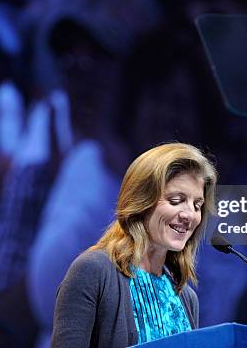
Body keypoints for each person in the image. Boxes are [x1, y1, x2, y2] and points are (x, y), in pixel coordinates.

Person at [50, 142, 217, 347]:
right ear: (142, 201)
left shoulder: (187, 298)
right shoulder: (92, 271)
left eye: (197, 205)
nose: (189, 215)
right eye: (176, 200)